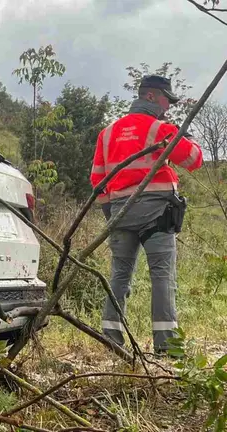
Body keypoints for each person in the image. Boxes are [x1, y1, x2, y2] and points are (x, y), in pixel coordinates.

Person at [90, 75, 203, 354]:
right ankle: (166, 346)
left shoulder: (107, 133)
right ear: (151, 96)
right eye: (167, 99)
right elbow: (194, 160)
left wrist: (112, 215)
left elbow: (97, 181)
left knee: (119, 276)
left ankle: (111, 340)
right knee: (162, 277)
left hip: (120, 213)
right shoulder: (160, 129)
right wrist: (185, 137)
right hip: (157, 215)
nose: (168, 106)